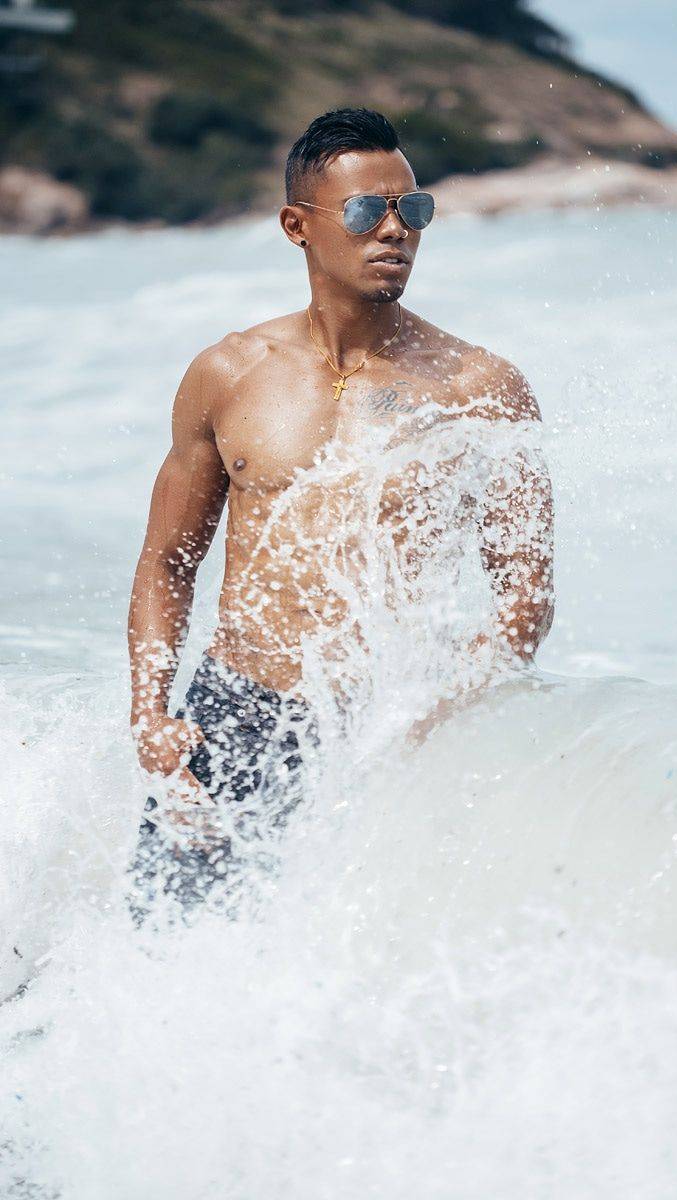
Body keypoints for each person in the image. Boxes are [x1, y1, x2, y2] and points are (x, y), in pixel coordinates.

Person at [127, 106, 554, 917]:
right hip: (235, 717)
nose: (395, 230)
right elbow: (166, 562)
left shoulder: (481, 389)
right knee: (163, 949)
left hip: (387, 730)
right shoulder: (230, 373)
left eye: (413, 209)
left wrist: (432, 722)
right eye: (367, 210)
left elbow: (524, 601)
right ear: (299, 225)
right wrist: (151, 715)